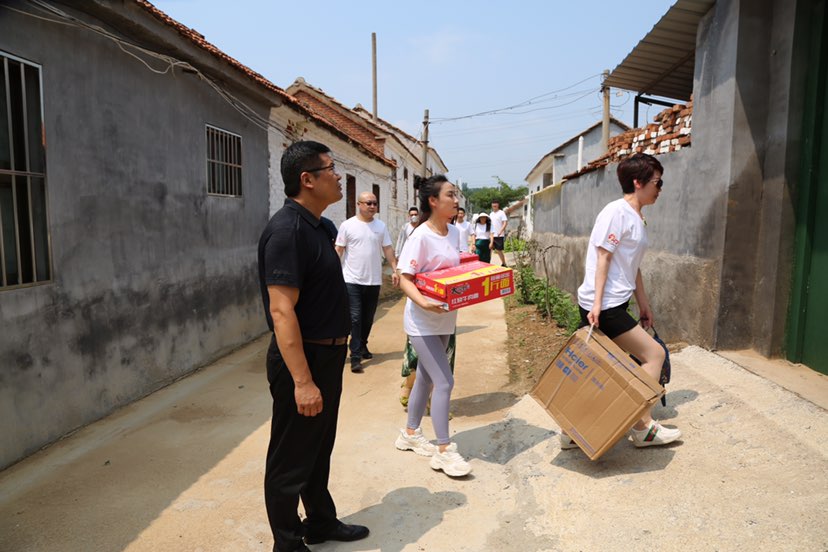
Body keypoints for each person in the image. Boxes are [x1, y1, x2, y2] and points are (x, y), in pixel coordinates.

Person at [257, 140, 369, 552]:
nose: (338, 176)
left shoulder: (323, 226)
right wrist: (303, 382)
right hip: (300, 359)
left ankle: (320, 521)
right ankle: (286, 543)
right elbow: (282, 311)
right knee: (290, 457)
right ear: (307, 180)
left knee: (318, 447)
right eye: (330, 169)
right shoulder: (286, 231)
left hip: (328, 355)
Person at [569, 152, 681, 450]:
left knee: (603, 369)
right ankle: (643, 426)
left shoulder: (636, 216)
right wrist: (596, 305)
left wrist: (643, 304)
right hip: (604, 306)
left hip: (611, 302)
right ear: (638, 182)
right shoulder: (616, 212)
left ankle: (572, 432)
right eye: (657, 182)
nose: (660, 188)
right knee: (653, 356)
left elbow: (633, 266)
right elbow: (603, 257)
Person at [393, 174, 472, 477]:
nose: (456, 200)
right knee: (445, 381)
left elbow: (456, 269)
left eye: (456, 194)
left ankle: (410, 433)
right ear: (433, 201)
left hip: (446, 317)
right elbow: (404, 278)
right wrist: (424, 303)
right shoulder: (420, 236)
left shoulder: (453, 232)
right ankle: (444, 450)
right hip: (422, 321)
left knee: (426, 378)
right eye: (450, 195)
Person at [335, 192, 399, 373]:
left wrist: (395, 269)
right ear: (359, 204)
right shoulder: (347, 225)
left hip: (373, 280)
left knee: (368, 317)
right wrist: (330, 272)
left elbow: (387, 248)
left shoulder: (380, 226)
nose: (372, 206)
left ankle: (362, 346)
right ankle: (355, 355)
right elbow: (338, 250)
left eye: (375, 203)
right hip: (351, 280)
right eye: (369, 203)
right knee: (355, 318)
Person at [489, 201, 508, 266]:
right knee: (490, 249)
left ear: (498, 205)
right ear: (492, 205)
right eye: (493, 205)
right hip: (491, 235)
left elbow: (505, 222)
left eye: (495, 205)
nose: (494, 206)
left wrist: (501, 231)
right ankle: (488, 263)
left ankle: (504, 263)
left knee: (499, 250)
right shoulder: (491, 214)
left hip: (499, 235)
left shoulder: (501, 213)